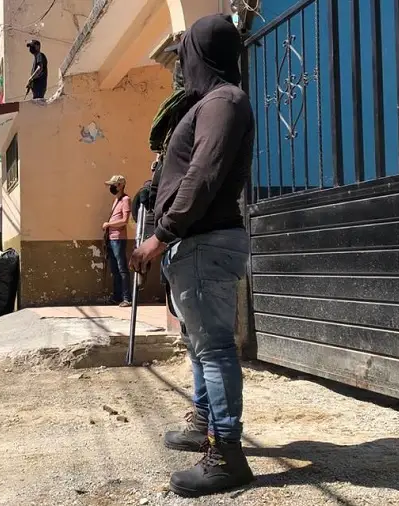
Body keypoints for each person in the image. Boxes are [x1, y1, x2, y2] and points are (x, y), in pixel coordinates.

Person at [129, 14, 255, 497]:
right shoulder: (209, 104)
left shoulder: (224, 101)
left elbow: (203, 174)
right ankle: (204, 422)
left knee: (216, 347)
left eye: (185, 57)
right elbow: (184, 169)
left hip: (203, 242)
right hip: (194, 244)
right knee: (200, 343)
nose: (181, 67)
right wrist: (152, 188)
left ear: (203, 56)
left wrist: (160, 234)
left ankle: (226, 454)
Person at [102, 175, 131, 307]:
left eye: (113, 185)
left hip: (119, 238)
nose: (111, 187)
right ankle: (117, 296)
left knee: (122, 268)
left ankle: (127, 298)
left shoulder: (126, 199)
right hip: (111, 238)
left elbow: (125, 220)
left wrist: (109, 225)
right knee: (115, 269)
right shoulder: (116, 200)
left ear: (120, 185)